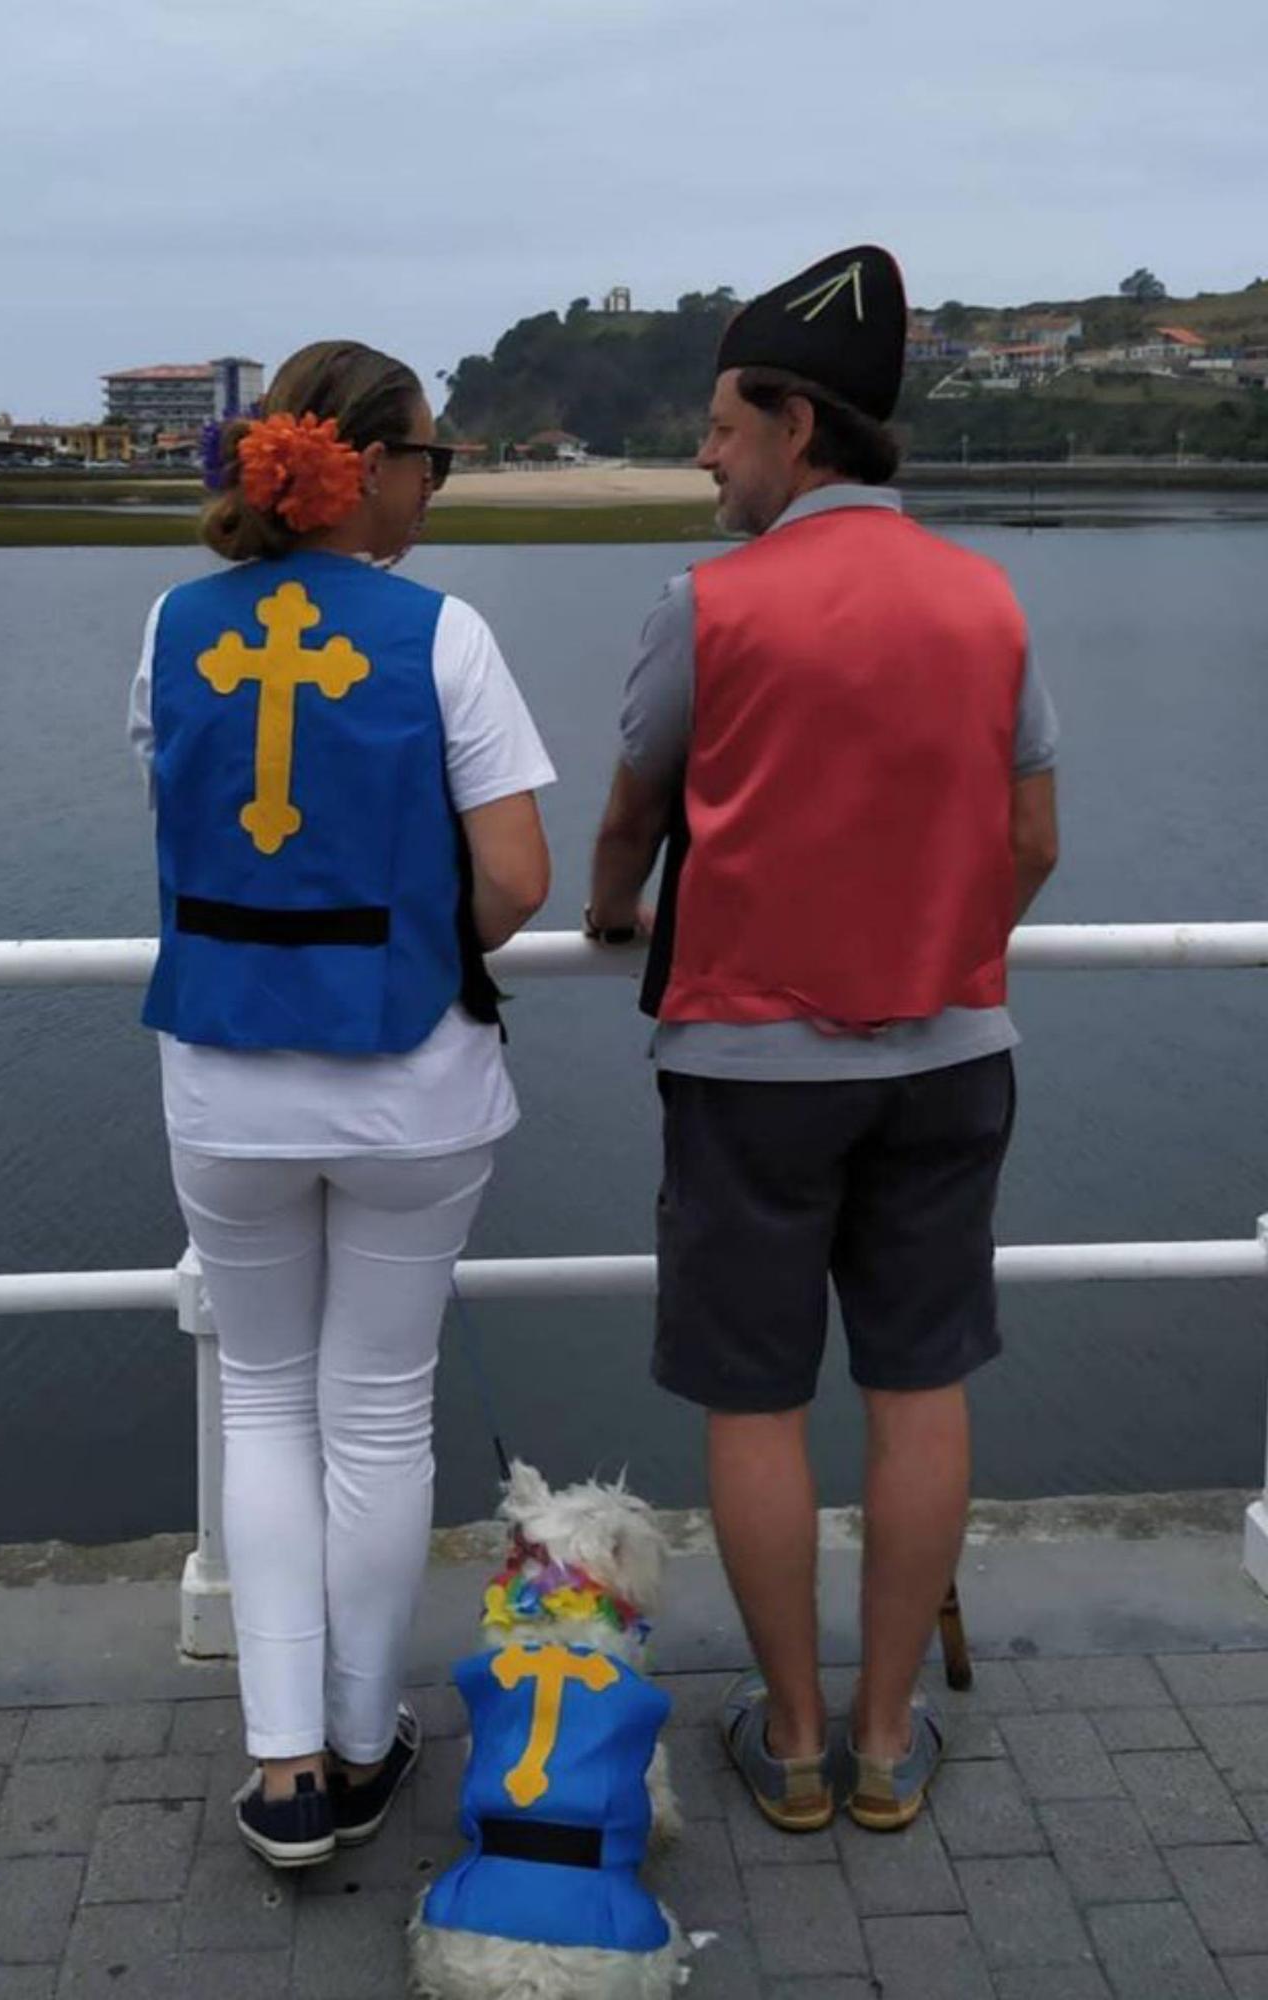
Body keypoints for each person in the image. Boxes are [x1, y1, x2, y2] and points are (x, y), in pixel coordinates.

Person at [586, 246, 1059, 1834]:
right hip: (950, 1053)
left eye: (725, 424)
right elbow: (1032, 840)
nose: (709, 453)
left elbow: (635, 813)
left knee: (759, 1401)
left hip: (747, 1067)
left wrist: (607, 912)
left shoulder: (705, 604)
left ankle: (788, 1747)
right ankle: (882, 1740)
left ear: (797, 424)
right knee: (923, 1384)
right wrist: (936, 930)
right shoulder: (988, 599)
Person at [128, 340, 555, 1868]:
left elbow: (184, 839)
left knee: (264, 1400)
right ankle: (371, 1743)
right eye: (429, 459)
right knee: (376, 1412)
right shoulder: (445, 636)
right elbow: (515, 884)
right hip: (409, 1093)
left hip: (225, 1087)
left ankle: (285, 1762)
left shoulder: (172, 628)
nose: (434, 487)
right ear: (362, 469)